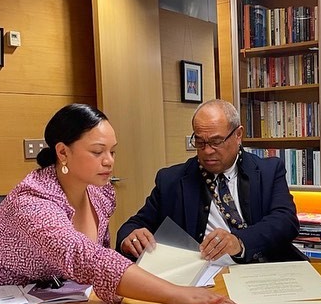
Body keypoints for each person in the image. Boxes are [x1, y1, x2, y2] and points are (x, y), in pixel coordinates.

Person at [0, 104, 244, 304]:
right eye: (98, 152)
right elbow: (87, 258)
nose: (109, 160)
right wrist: (175, 295)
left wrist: (122, 293)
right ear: (62, 152)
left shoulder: (100, 193)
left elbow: (98, 265)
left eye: (112, 151)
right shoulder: (32, 203)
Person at [116, 99, 303, 264]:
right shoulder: (171, 181)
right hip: (202, 277)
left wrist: (239, 241)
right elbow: (133, 226)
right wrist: (129, 238)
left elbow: (285, 221)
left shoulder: (268, 171)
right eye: (199, 142)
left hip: (264, 267)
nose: (207, 151)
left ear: (238, 135)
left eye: (216, 142)